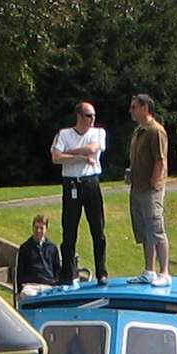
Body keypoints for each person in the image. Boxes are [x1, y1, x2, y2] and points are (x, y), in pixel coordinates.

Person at [52, 100, 108, 281]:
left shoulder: (98, 133)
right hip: (71, 184)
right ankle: (68, 273)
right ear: (79, 116)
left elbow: (93, 148)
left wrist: (70, 153)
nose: (92, 119)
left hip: (90, 182)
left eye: (93, 116)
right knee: (69, 229)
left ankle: (101, 271)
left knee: (97, 228)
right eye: (88, 116)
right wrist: (82, 157)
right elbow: (56, 157)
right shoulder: (64, 134)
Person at [127, 94, 171, 285]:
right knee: (144, 231)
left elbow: (160, 161)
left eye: (134, 107)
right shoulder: (139, 131)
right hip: (137, 188)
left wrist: (153, 184)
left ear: (145, 108)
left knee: (156, 229)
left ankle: (164, 273)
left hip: (151, 190)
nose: (131, 110)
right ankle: (149, 270)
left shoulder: (156, 131)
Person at [14, 213, 65, 295]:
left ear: (46, 229)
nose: (38, 231)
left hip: (49, 285)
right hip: (31, 286)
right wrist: (19, 290)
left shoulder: (52, 248)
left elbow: (57, 270)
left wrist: (55, 283)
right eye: (36, 227)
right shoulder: (25, 248)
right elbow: (20, 271)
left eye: (41, 228)